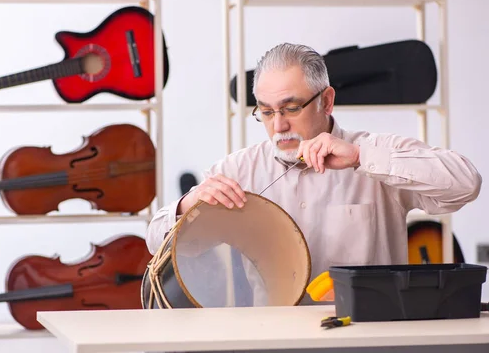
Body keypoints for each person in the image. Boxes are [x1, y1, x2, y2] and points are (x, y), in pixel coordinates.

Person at [145, 42, 482, 305]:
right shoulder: (240, 169)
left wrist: (362, 158)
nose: (279, 125)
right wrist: (188, 205)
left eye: (291, 108)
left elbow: (466, 184)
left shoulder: (372, 150)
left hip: (364, 341)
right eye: (265, 112)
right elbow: (155, 239)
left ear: (327, 101)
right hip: (275, 343)